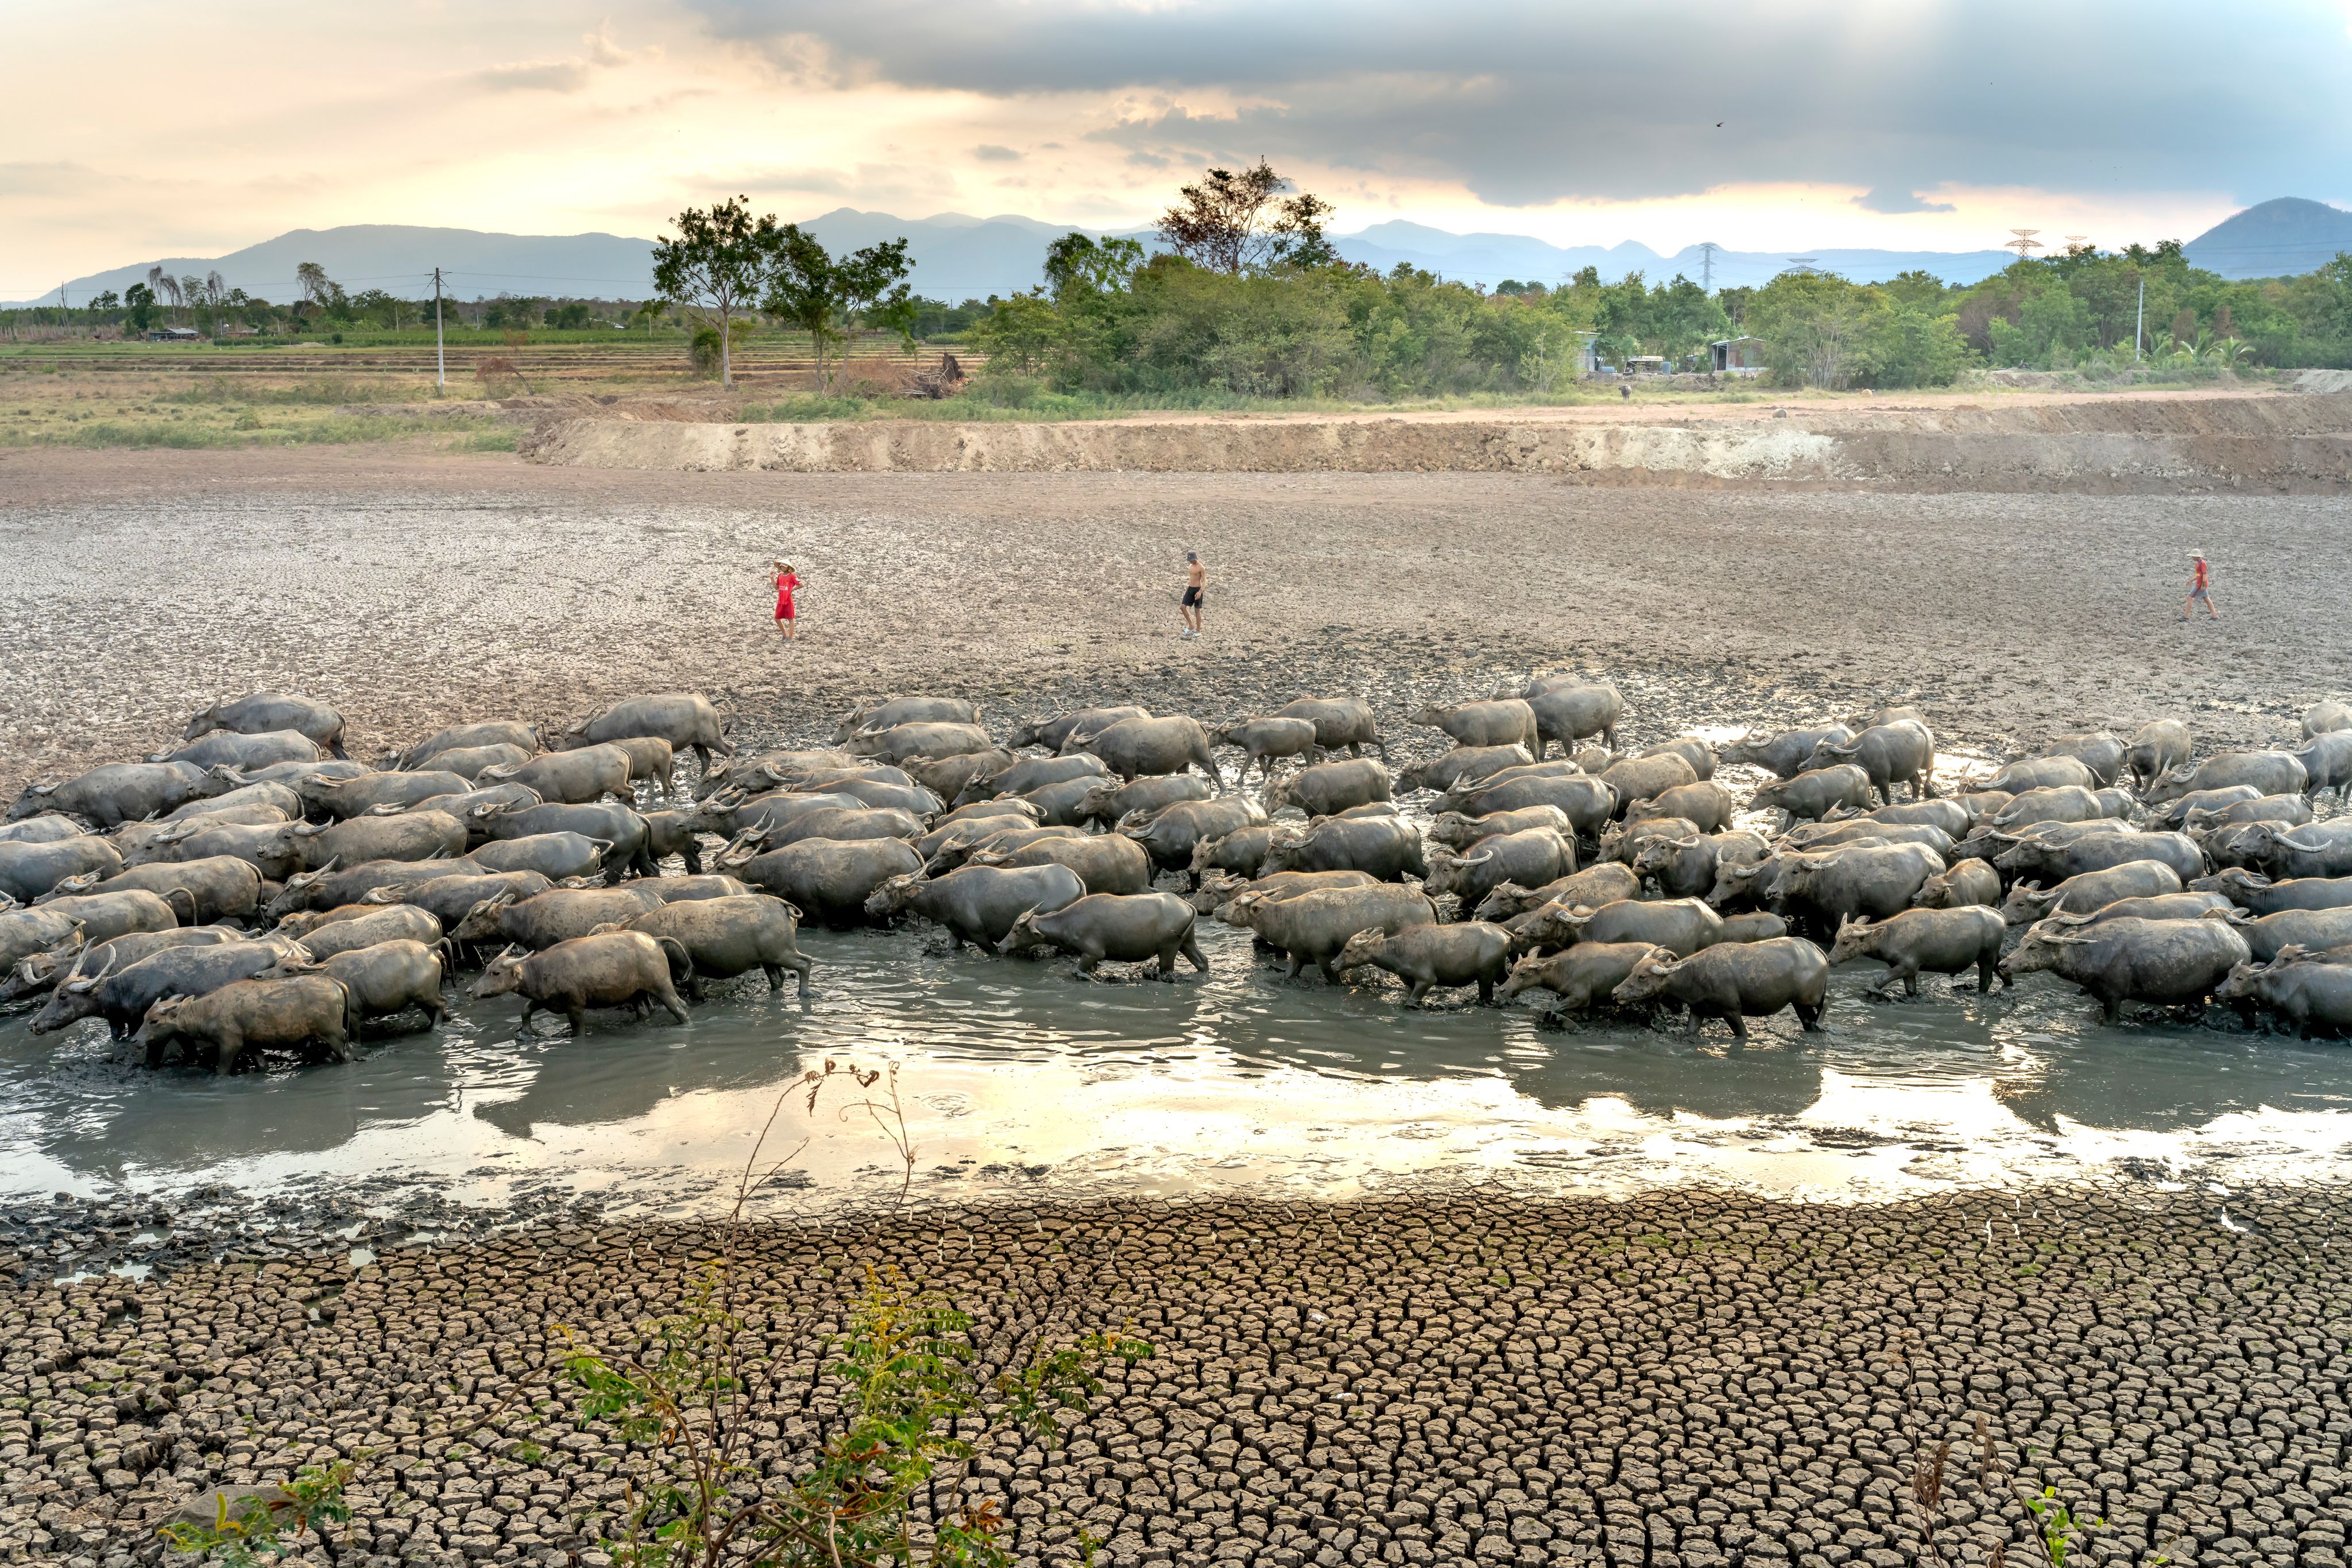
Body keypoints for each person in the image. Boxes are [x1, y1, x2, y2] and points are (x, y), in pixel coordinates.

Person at [2181, 552, 2218, 621]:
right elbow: (2199, 575)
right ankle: (2215, 616)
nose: (2192, 558)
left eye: (2193, 556)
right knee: (2207, 599)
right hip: (2200, 584)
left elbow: (2205, 574)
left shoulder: (2202, 564)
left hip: (2200, 585)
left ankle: (2186, 616)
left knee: (2189, 597)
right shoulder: (2199, 563)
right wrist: (2191, 580)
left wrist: (2203, 585)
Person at [1179, 552, 1206, 641]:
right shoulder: (1190, 566)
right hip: (1190, 589)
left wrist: (1200, 592)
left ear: (1195, 558)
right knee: (1183, 607)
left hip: (1197, 589)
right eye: (1189, 560)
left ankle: (1198, 631)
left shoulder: (1201, 568)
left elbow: (1205, 581)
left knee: (1197, 610)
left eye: (1192, 560)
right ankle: (1191, 626)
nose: (1190, 562)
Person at [772, 560, 800, 640]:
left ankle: (790, 637)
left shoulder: (792, 576)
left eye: (784, 566)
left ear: (788, 567)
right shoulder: (780, 576)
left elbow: (801, 584)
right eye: (781, 566)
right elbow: (776, 588)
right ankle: (785, 634)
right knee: (777, 619)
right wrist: (772, 578)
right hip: (781, 601)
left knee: (790, 619)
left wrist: (792, 590)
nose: (782, 568)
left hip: (788, 600)